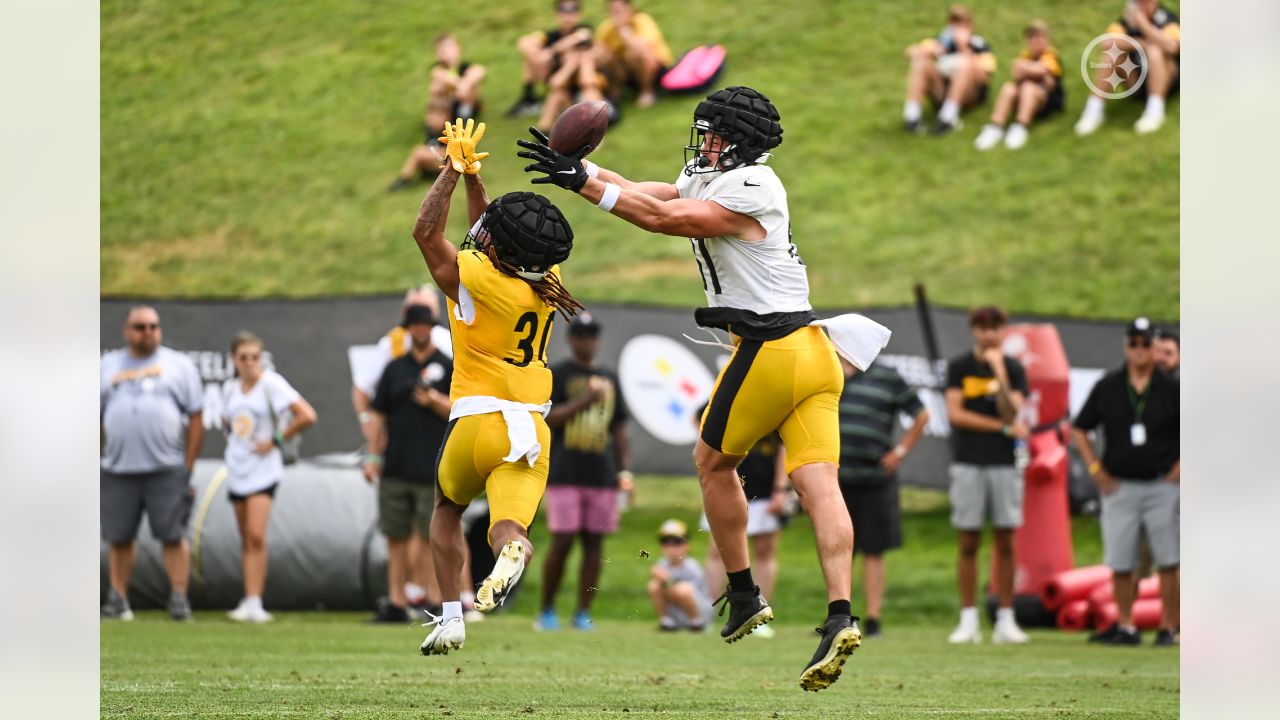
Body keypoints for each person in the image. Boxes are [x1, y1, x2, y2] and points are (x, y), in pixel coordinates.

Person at [519, 85, 881, 691]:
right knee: (819, 484)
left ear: (739, 141)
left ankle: (742, 594)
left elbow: (665, 219)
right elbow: (655, 192)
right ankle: (839, 615)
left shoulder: (754, 188)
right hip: (816, 356)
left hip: (772, 348)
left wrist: (579, 182)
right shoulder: (718, 174)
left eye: (714, 134)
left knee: (712, 463)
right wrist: (580, 170)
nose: (704, 143)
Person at [413, 119, 584, 656]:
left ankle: (450, 617)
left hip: (477, 419)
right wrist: (473, 183)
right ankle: (512, 552)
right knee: (507, 527)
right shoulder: (550, 285)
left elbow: (427, 232)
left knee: (446, 509)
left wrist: (450, 171)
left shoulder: (478, 277)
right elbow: (489, 236)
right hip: (530, 429)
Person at [1071, 317, 1180, 646]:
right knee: (1121, 560)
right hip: (1119, 484)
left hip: (1162, 484)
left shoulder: (1171, 387)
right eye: (1134, 343)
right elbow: (1080, 428)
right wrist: (1094, 468)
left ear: (1153, 347)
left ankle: (1169, 626)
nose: (1140, 350)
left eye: (1146, 344)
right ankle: (1126, 624)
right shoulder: (1109, 386)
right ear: (1126, 346)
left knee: (1169, 559)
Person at [100, 306, 205, 621]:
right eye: (140, 326)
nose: (147, 332)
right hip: (118, 468)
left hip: (166, 467)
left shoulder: (178, 365)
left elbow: (196, 416)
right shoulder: (107, 365)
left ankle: (178, 598)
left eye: (153, 326)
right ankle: (118, 599)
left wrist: (187, 464)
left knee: (172, 534)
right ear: (127, 330)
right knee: (118, 536)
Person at [351, 285, 453, 610]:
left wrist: (434, 400)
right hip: (396, 464)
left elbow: (460, 409)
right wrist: (373, 455)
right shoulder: (395, 368)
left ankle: (433, 598)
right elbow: (378, 413)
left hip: (432, 465)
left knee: (430, 536)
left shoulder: (446, 365)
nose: (420, 331)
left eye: (425, 325)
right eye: (415, 326)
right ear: (408, 330)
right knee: (394, 535)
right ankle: (396, 600)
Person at [536, 312, 632, 632]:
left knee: (594, 544)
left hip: (601, 474)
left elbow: (619, 428)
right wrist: (585, 400)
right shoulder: (559, 374)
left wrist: (624, 471)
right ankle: (546, 609)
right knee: (562, 541)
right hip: (565, 472)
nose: (587, 341)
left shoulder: (610, 377)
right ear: (572, 339)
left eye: (591, 336)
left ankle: (582, 612)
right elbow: (547, 419)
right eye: (581, 336)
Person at [944, 305, 1030, 645]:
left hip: (1004, 464)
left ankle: (1006, 619)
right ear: (973, 330)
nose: (989, 334)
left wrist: (1000, 374)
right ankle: (968, 620)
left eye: (995, 327)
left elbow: (1014, 409)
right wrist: (1004, 427)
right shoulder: (959, 367)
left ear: (1005, 330)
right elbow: (956, 414)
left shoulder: (1012, 367)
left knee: (1006, 541)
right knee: (968, 541)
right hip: (968, 461)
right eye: (983, 327)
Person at [221, 331, 317, 623]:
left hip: (264, 470)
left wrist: (275, 439)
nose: (249, 363)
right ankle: (247, 599)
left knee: (256, 535)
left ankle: (256, 601)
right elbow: (228, 424)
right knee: (245, 538)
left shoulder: (271, 384)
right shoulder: (229, 389)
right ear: (233, 360)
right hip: (237, 467)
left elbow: (307, 415)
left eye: (254, 357)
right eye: (243, 357)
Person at [837, 357, 930, 638]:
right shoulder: (828, 371)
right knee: (839, 549)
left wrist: (899, 452)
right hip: (836, 480)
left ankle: (874, 618)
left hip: (876, 478)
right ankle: (840, 617)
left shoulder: (887, 376)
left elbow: (922, 415)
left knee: (874, 549)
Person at [700, 428, 788, 640]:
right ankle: (707, 614)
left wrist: (780, 489)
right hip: (726, 489)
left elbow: (785, 446)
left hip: (765, 491)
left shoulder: (777, 405)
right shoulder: (728, 397)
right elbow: (701, 419)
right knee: (717, 550)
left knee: (764, 552)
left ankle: (759, 614)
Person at [388, 34, 487, 192]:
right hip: (441, 147)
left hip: (457, 149)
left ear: (458, 48)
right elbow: (444, 81)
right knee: (422, 150)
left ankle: (404, 181)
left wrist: (463, 87)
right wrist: (455, 88)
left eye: (449, 47)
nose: (445, 53)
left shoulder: (469, 70)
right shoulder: (438, 74)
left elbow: (477, 74)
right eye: (441, 50)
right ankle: (409, 179)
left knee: (419, 152)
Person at [1075, 1, 1180, 136]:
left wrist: (1144, 26)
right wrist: (1140, 43)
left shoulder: (1167, 18)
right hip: (1137, 81)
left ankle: (1155, 110)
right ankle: (1093, 111)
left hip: (1168, 81)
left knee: (1156, 51)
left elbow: (1172, 46)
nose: (1141, 7)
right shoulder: (1127, 21)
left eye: (1145, 3)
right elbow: (1106, 43)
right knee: (1111, 55)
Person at [902, 5, 997, 136]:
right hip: (941, 91)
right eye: (955, 23)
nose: (958, 28)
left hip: (970, 95)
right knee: (921, 63)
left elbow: (983, 78)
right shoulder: (941, 42)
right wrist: (925, 52)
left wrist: (963, 47)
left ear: (971, 25)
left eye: (963, 24)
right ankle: (912, 117)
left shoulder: (980, 45)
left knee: (964, 62)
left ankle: (948, 118)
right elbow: (910, 51)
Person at [973, 21, 1063, 151]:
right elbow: (1016, 72)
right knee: (1008, 88)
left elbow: (1042, 70)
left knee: (1028, 87)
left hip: (1046, 101)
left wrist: (1025, 67)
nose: (1035, 41)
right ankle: (995, 126)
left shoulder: (1051, 55)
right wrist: (1028, 68)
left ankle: (1020, 126)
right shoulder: (1025, 55)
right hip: (1024, 97)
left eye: (1039, 37)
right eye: (1031, 37)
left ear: (1047, 39)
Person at [510, 1, 597, 120]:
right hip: (560, 82)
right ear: (558, 14)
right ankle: (529, 97)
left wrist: (552, 51)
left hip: (581, 83)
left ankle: (531, 100)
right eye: (564, 12)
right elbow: (524, 43)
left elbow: (581, 36)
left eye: (572, 11)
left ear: (578, 14)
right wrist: (539, 55)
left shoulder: (584, 29)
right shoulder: (552, 35)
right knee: (530, 54)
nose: (568, 16)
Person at [594, 0, 673, 109]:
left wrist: (624, 31)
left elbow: (645, 50)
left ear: (629, 10)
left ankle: (648, 91)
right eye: (613, 12)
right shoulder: (607, 28)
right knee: (605, 55)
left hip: (655, 68)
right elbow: (597, 52)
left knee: (633, 53)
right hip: (628, 72)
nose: (616, 16)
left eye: (619, 11)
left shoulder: (642, 20)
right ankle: (614, 92)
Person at [647, 520, 713, 632]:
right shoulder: (662, 564)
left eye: (677, 542)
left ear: (687, 544)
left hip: (700, 610)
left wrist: (666, 578)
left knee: (682, 589)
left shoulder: (691, 566)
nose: (671, 547)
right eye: (665, 542)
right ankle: (667, 621)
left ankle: (697, 623)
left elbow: (686, 591)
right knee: (653, 586)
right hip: (678, 611)